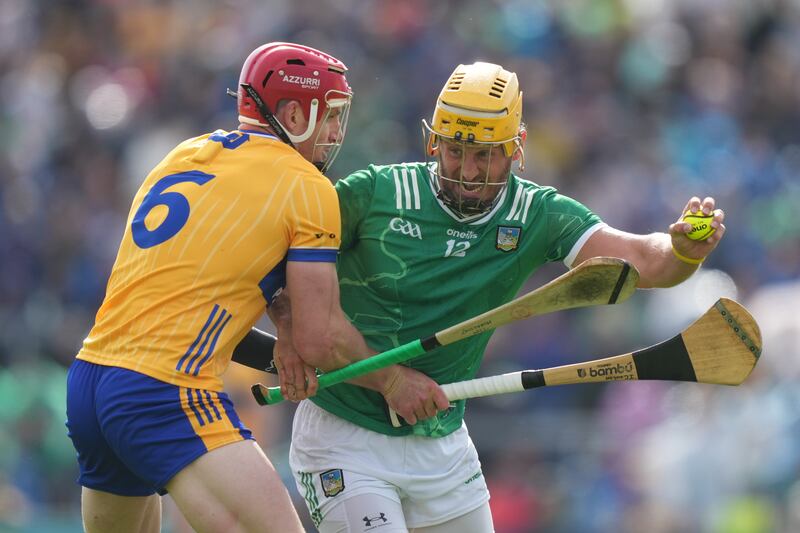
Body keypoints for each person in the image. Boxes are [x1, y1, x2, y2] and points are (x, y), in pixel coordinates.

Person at [268, 61, 726, 533]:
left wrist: (681, 251)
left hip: (442, 443)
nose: (468, 172)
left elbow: (643, 261)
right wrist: (289, 327)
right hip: (345, 436)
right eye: (455, 151)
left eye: (485, 156)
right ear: (434, 142)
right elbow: (269, 258)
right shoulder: (373, 194)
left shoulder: (536, 214)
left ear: (516, 148)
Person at [64, 42, 432, 533]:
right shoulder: (306, 185)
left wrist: (282, 336)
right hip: (164, 388)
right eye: (329, 116)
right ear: (294, 114)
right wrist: (393, 382)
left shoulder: (184, 155)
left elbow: (194, 297)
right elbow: (321, 338)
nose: (335, 133)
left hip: (90, 381)